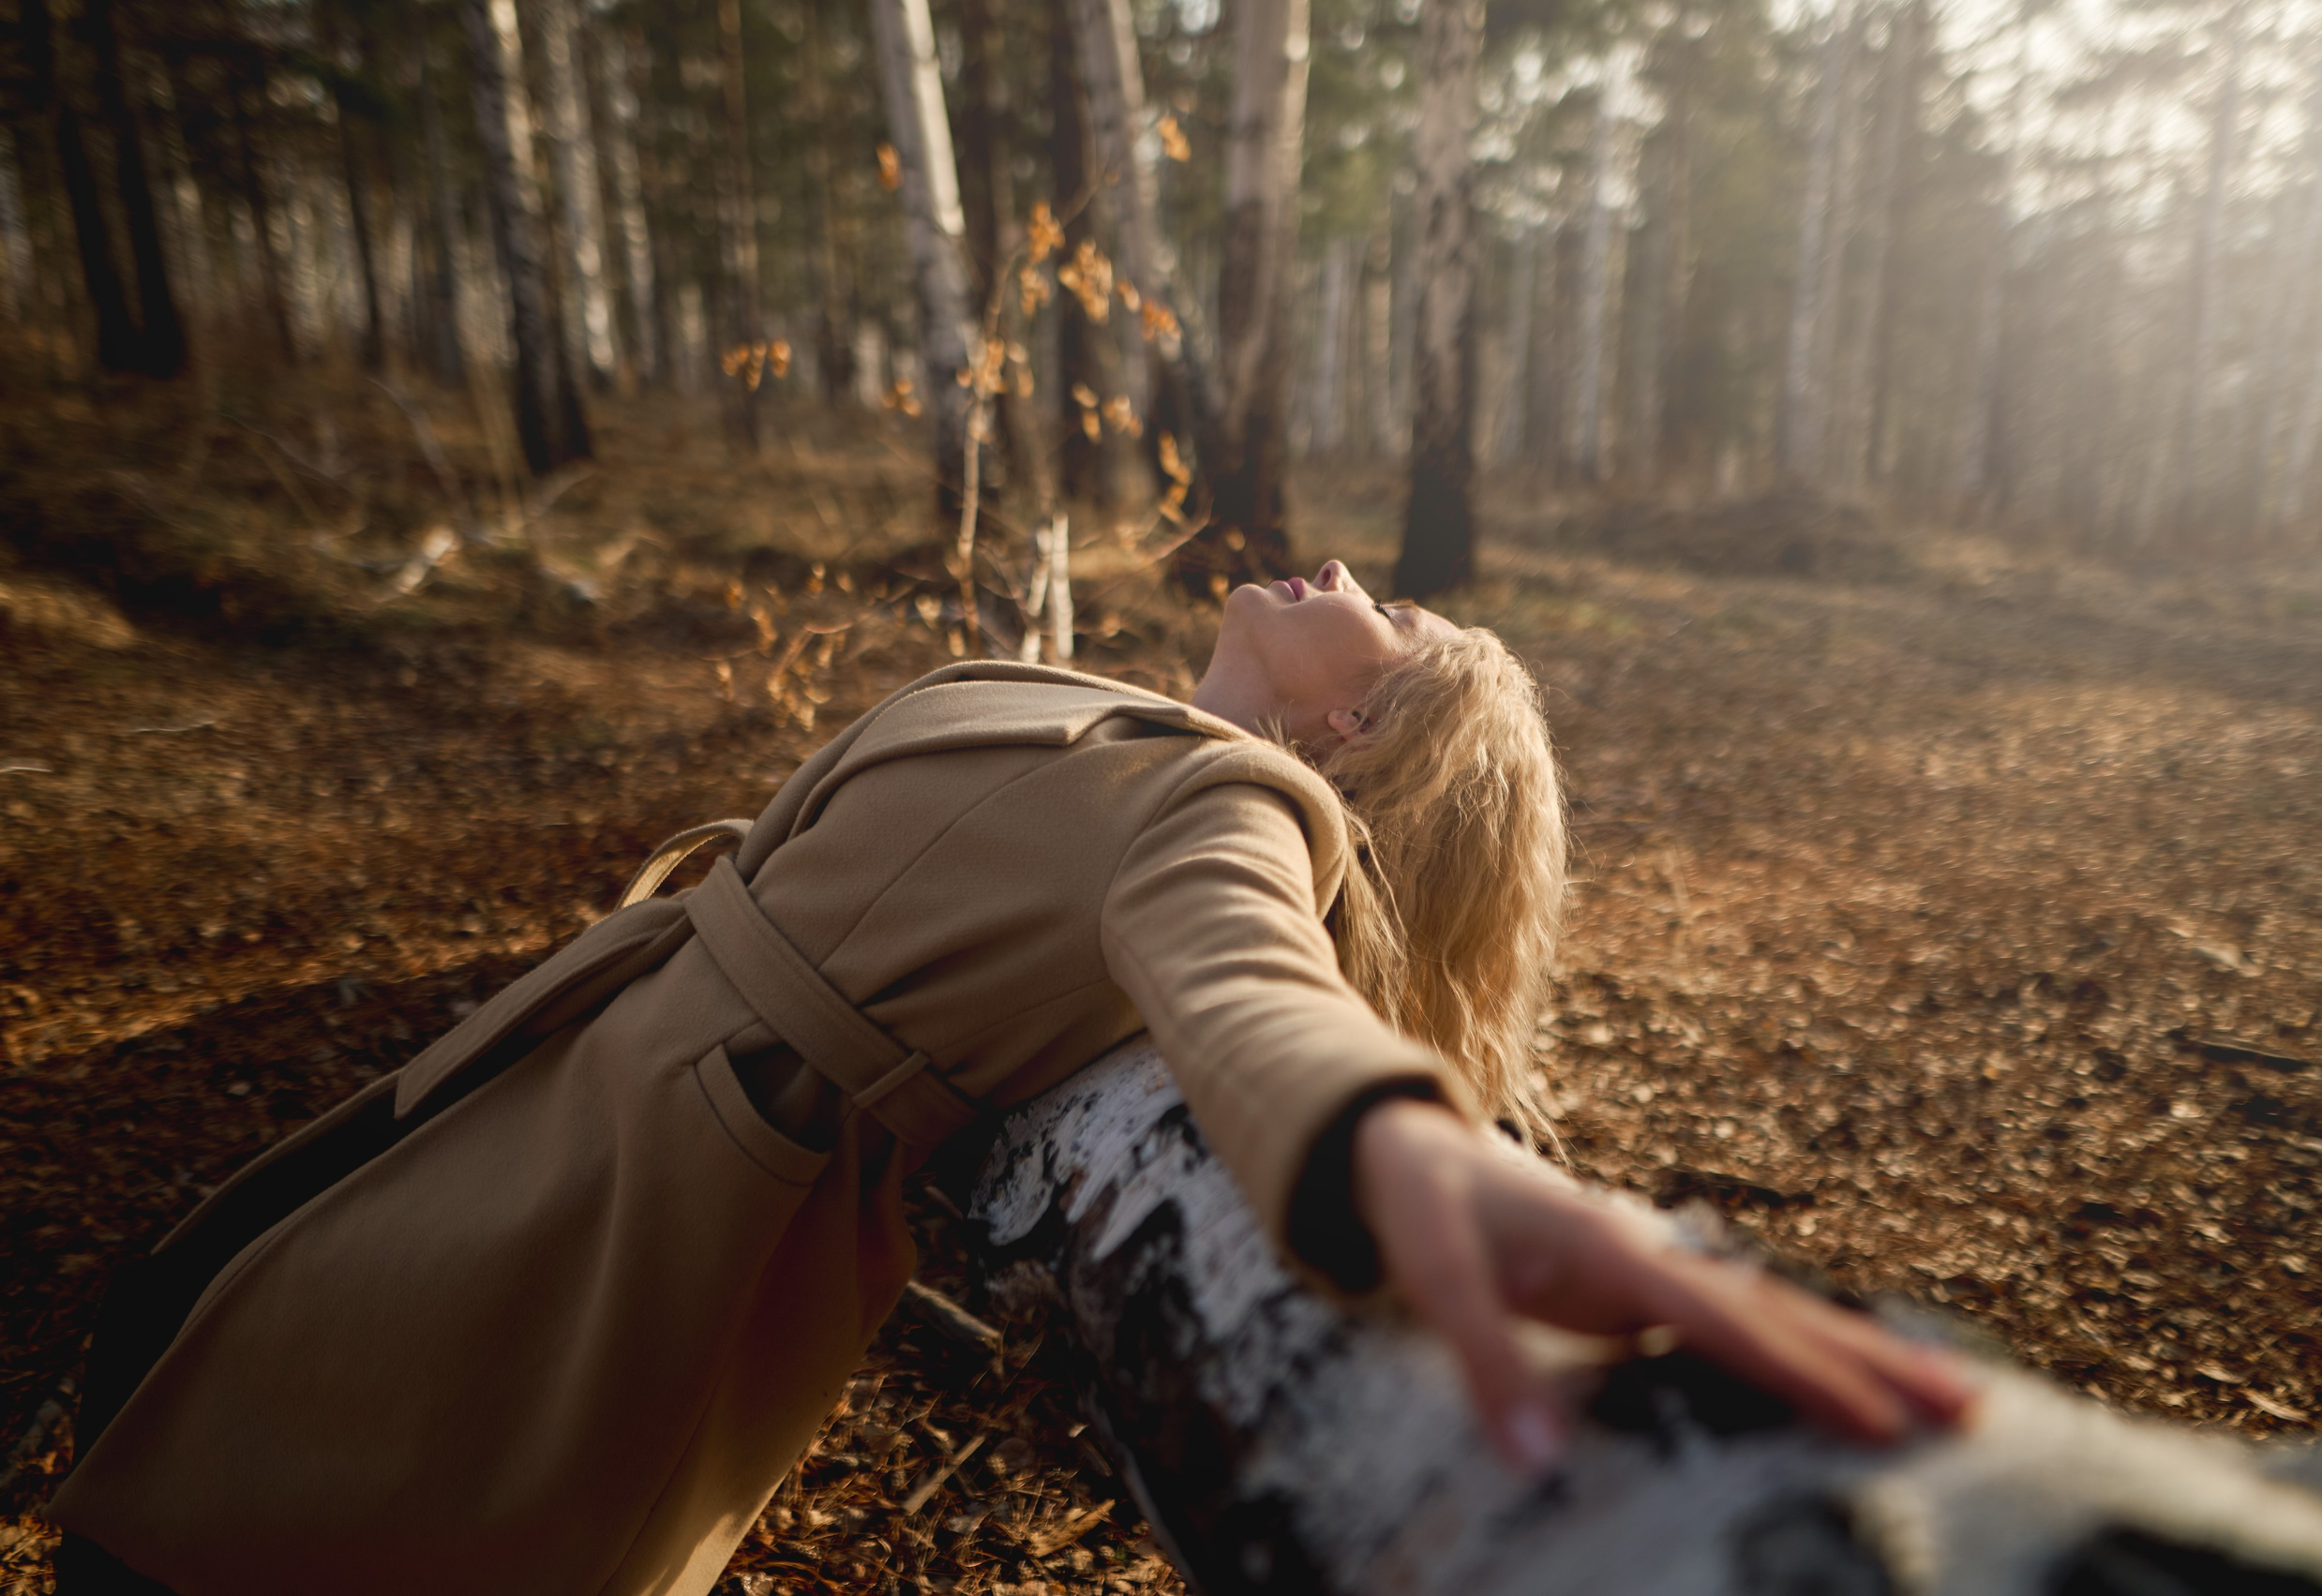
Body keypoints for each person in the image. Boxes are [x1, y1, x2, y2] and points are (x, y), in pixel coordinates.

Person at [51, 562, 1970, 1596]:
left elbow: (1248, 988)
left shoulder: (1242, 807)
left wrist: (1401, 1154)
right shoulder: (1132, 731)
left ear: (1358, 720)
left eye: (1390, 610)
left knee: (284, 1517)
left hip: (602, 1242)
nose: (1341, 568)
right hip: (553, 1118)